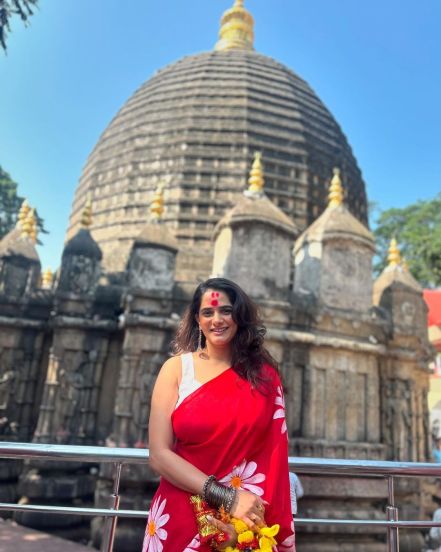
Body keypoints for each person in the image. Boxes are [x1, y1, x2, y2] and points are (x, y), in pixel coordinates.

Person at [143, 277, 295, 551]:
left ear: (239, 316)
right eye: (208, 312)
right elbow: (158, 454)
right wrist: (226, 497)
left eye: (226, 310)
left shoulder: (264, 379)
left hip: (244, 522)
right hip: (180, 514)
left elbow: (273, 457)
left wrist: (243, 510)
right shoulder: (177, 370)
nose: (217, 319)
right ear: (197, 320)